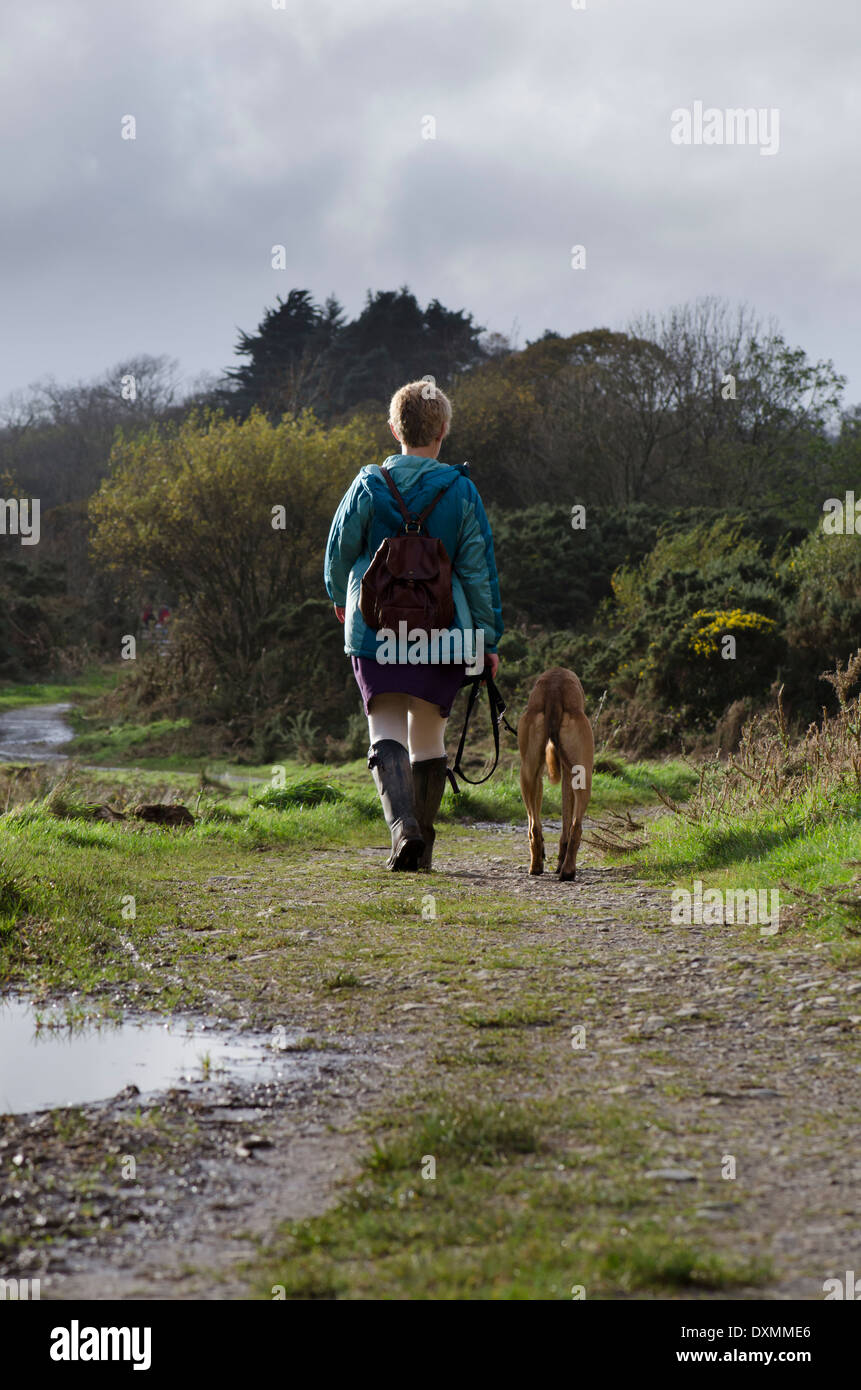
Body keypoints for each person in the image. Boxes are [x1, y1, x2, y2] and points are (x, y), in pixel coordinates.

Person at [325, 380, 503, 872]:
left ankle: (402, 830)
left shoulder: (368, 484)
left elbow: (338, 551)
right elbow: (478, 571)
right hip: (444, 634)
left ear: (392, 428)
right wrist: (487, 638)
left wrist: (340, 597)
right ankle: (421, 850)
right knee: (428, 736)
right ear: (443, 429)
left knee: (384, 727)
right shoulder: (462, 490)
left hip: (375, 630)